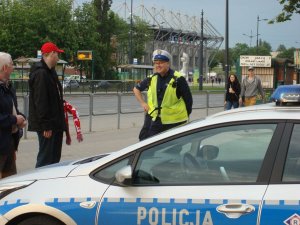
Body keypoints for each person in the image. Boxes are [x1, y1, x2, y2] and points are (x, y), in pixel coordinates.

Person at [133, 49, 193, 141]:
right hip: (156, 118)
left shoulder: (178, 78)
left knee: (172, 148)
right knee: (146, 142)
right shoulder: (152, 78)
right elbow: (136, 89)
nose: (158, 65)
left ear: (168, 64)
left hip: (174, 122)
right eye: (156, 63)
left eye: (161, 62)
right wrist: (143, 103)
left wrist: (183, 116)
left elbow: (188, 101)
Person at [28, 42, 67, 168]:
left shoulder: (50, 72)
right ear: (50, 54)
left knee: (54, 159)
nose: (58, 57)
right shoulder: (41, 73)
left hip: (54, 123)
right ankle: (39, 184)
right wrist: (45, 125)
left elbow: (52, 97)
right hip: (48, 126)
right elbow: (41, 101)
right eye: (57, 54)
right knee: (45, 159)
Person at [0, 52, 26, 178]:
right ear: (4, 68)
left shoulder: (8, 87)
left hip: (9, 142)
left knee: (10, 181)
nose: (13, 67)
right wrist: (15, 119)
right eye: (11, 64)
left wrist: (22, 118)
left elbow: (13, 109)